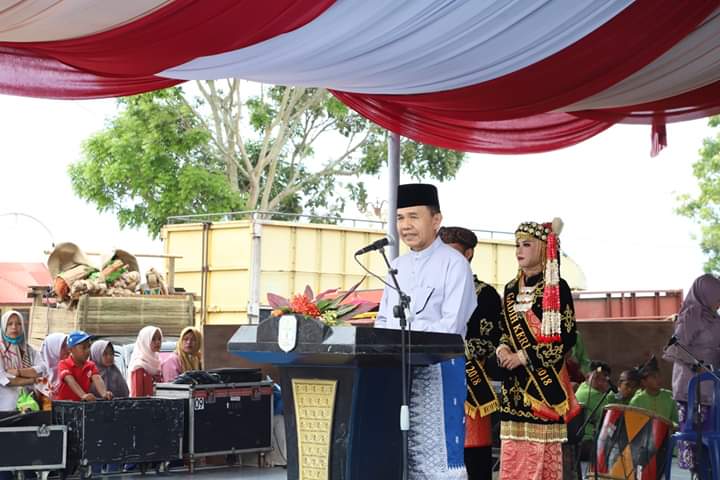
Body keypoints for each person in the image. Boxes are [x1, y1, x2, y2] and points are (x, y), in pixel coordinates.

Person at [375, 183, 477, 478]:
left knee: (440, 458)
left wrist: (406, 332)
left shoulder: (455, 265)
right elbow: (382, 321)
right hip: (398, 372)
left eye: (413, 217)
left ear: (436, 220)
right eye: (400, 218)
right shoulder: (396, 265)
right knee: (404, 456)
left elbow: (451, 328)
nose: (405, 226)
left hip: (440, 372)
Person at [495, 219, 579, 480]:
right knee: (512, 455)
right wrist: (502, 350)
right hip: (513, 389)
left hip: (542, 387)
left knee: (540, 458)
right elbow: (503, 331)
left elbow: (565, 338)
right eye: (517, 245)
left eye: (527, 244)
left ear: (543, 248)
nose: (519, 250)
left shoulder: (556, 288)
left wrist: (523, 356)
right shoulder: (510, 289)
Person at [440, 226, 502, 480]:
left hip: (469, 385)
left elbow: (489, 341)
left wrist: (449, 347)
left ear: (467, 254)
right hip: (434, 380)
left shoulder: (484, 294)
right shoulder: (431, 291)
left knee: (472, 458)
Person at [662, 273, 720, 472]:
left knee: (712, 439)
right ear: (706, 294)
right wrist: (698, 363)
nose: (719, 302)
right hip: (691, 388)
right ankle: (700, 473)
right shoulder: (692, 314)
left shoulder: (715, 319)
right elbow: (675, 348)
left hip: (712, 389)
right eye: (717, 296)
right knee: (696, 441)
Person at [0, 311, 46, 412]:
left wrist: (18, 372)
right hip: (5, 407)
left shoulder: (28, 350)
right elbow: (5, 380)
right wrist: (31, 380)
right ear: (3, 326)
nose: (14, 327)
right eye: (9, 324)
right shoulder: (1, 349)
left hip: (29, 405)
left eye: (18, 323)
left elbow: (42, 369)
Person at [55, 331, 113, 402]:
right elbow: (70, 380)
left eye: (89, 346)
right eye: (84, 347)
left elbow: (97, 378)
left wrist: (104, 393)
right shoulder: (63, 364)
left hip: (82, 405)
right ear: (71, 350)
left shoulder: (91, 365)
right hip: (65, 406)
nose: (88, 350)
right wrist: (83, 395)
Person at [574, 361, 613, 459]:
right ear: (588, 377)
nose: (601, 382)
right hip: (585, 441)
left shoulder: (583, 386)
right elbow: (609, 414)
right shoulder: (592, 394)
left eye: (604, 379)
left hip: (583, 441)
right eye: (597, 378)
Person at [629, 356, 678, 424]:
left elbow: (676, 421)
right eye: (654, 377)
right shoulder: (637, 401)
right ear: (644, 382)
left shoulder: (669, 396)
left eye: (659, 375)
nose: (658, 379)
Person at [128, 326, 163, 397]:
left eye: (159, 339)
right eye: (153, 339)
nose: (158, 342)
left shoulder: (157, 361)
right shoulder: (139, 367)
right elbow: (137, 397)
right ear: (145, 341)